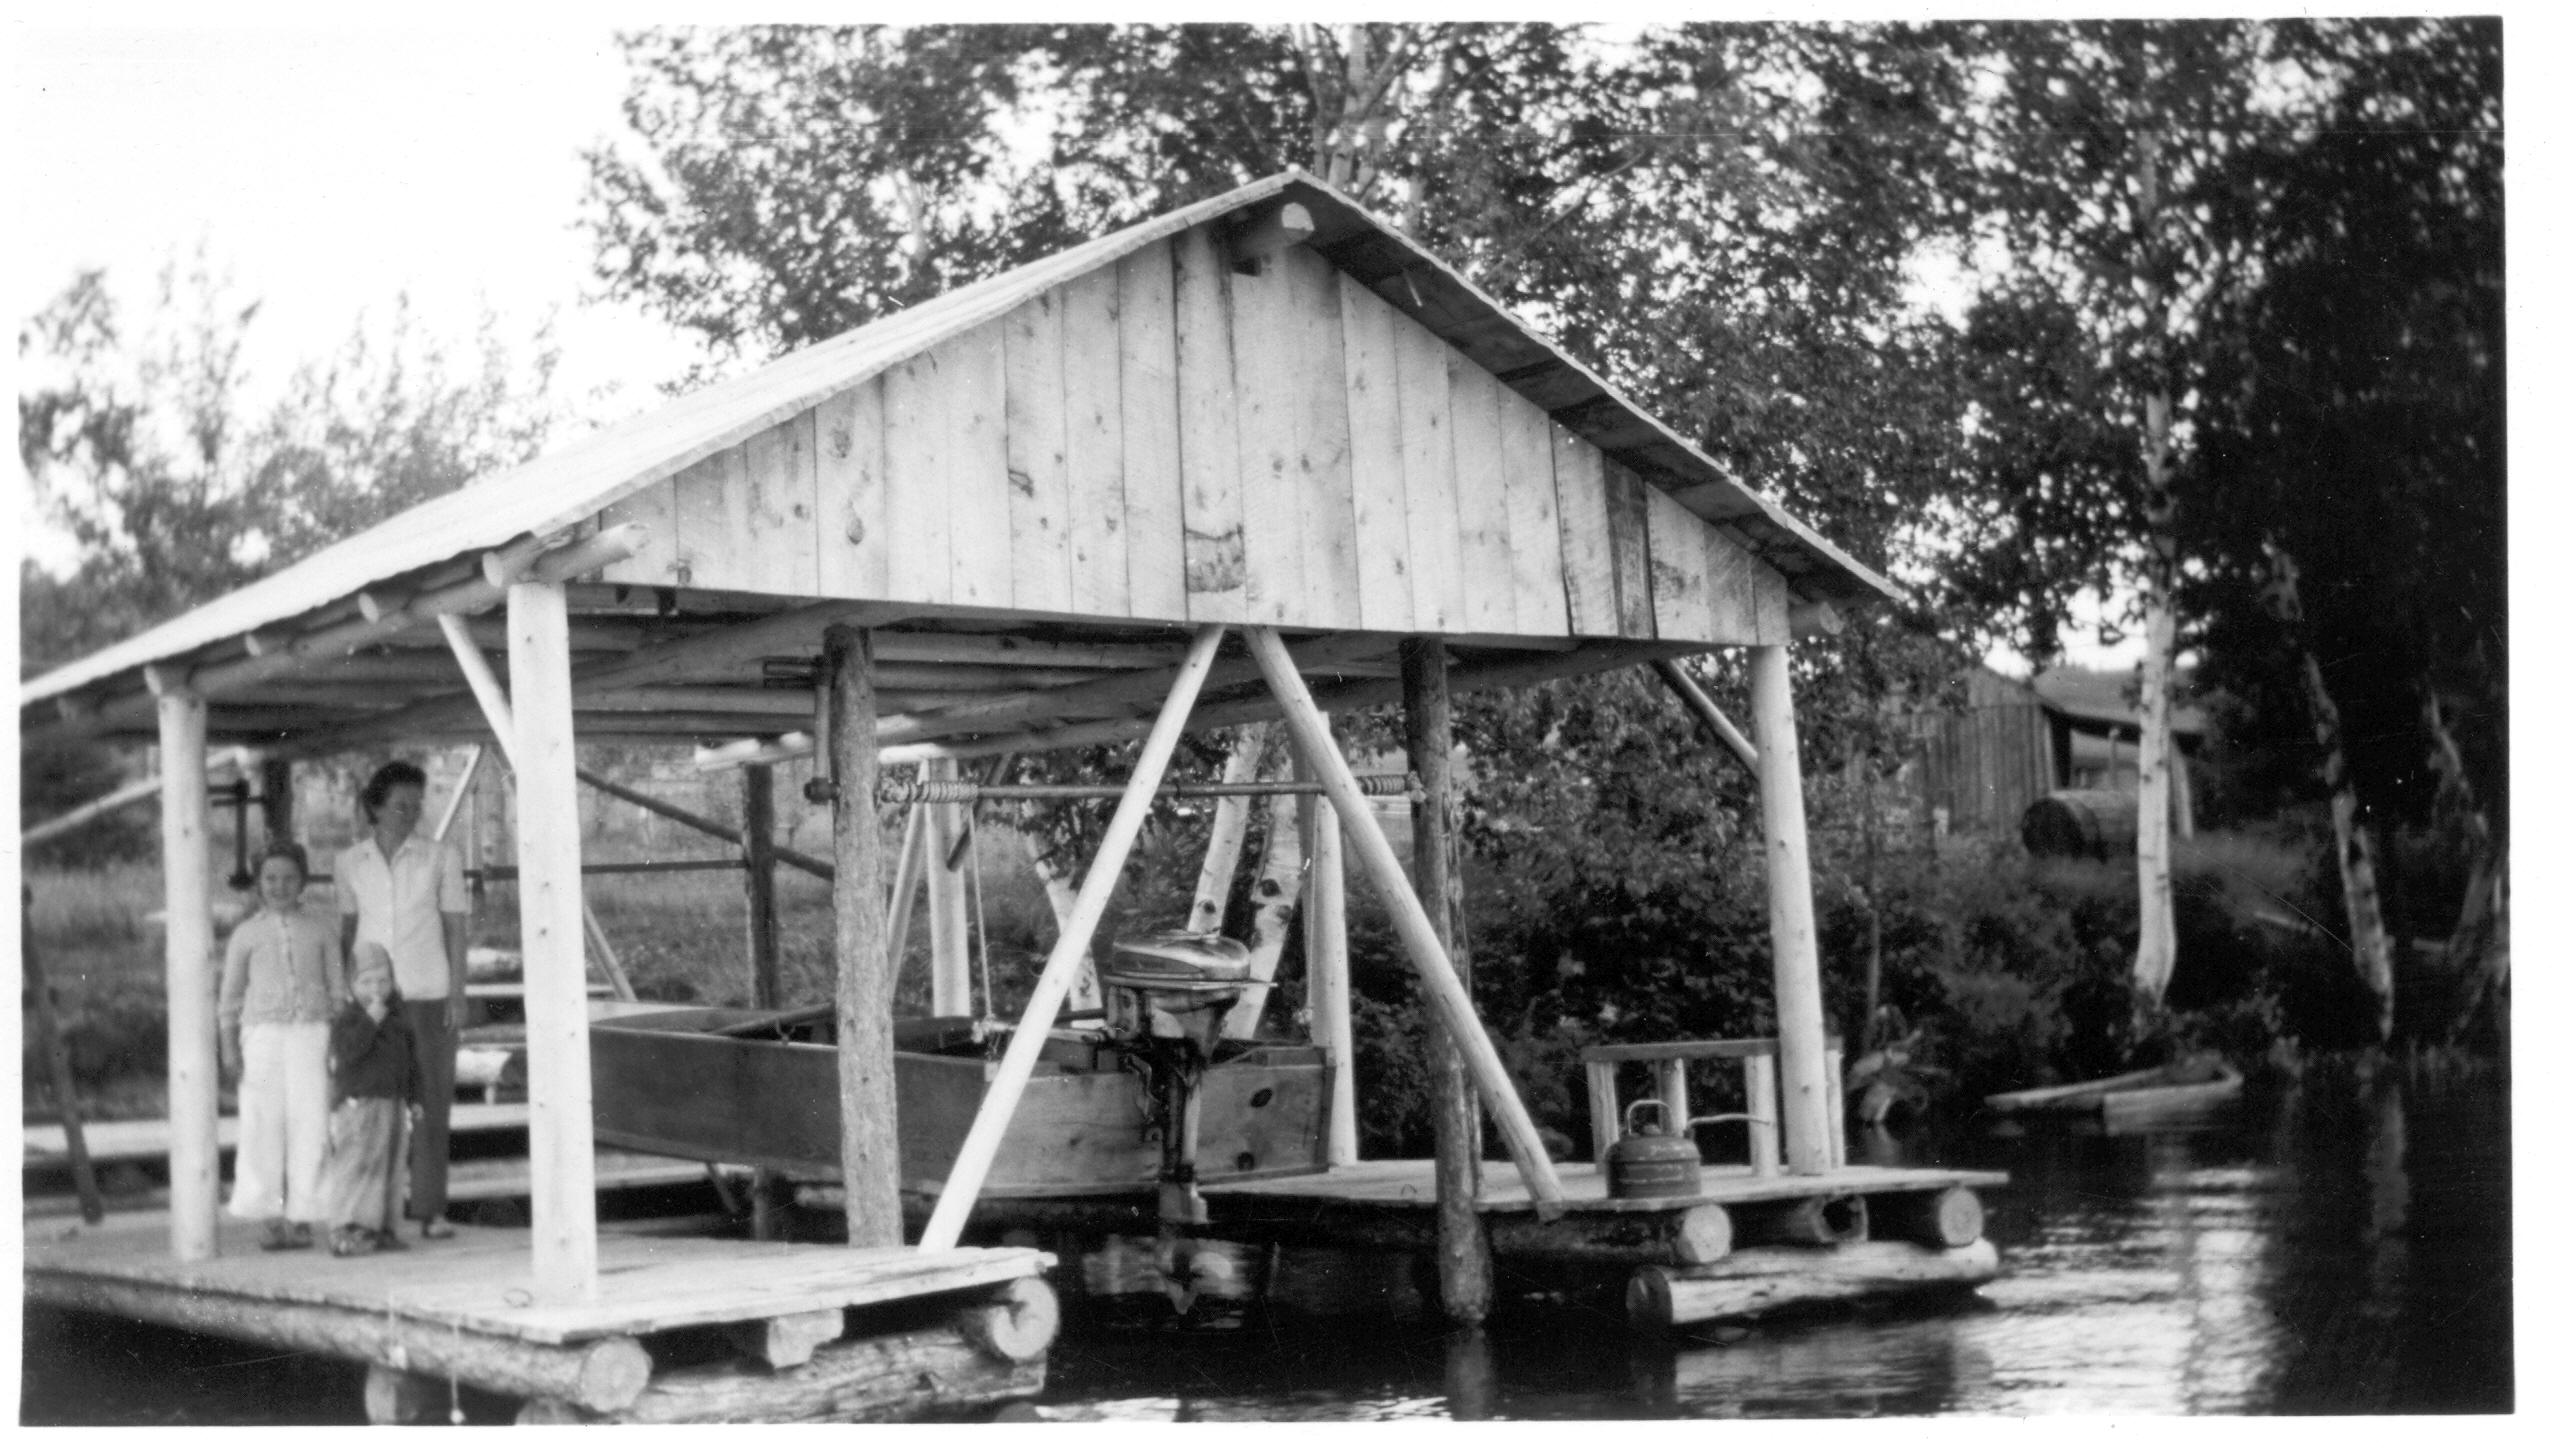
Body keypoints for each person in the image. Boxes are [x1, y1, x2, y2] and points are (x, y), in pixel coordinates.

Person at [334, 760, 467, 1239]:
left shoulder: (440, 856)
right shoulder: (350, 863)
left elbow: (455, 926)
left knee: (431, 1102)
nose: (409, 813)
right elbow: (347, 932)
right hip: (374, 1001)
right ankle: (371, 1215)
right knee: (373, 1108)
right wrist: (345, 995)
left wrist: (458, 990)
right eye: (398, 805)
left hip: (429, 992)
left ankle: (431, 1210)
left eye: (416, 805)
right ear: (375, 806)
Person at [217, 842, 345, 1251]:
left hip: (312, 1033)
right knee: (261, 1122)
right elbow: (230, 999)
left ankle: (305, 1212)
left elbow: (338, 991)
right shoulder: (246, 934)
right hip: (263, 1037)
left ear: (303, 881)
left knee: (311, 1123)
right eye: (270, 878)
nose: (280, 886)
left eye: (289, 878)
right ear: (258, 883)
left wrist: (338, 1041)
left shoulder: (321, 930)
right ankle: (267, 1212)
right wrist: (229, 1047)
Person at [317, 945, 418, 1256]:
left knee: (390, 1166)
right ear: (351, 985)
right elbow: (348, 1052)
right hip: (359, 1104)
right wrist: (370, 1022)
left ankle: (382, 1228)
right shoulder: (347, 1020)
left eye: (383, 981)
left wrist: (415, 1098)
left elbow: (411, 1063)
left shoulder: (399, 1018)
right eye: (366, 982)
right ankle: (347, 1229)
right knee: (358, 1166)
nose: (376, 990)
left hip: (393, 1103)